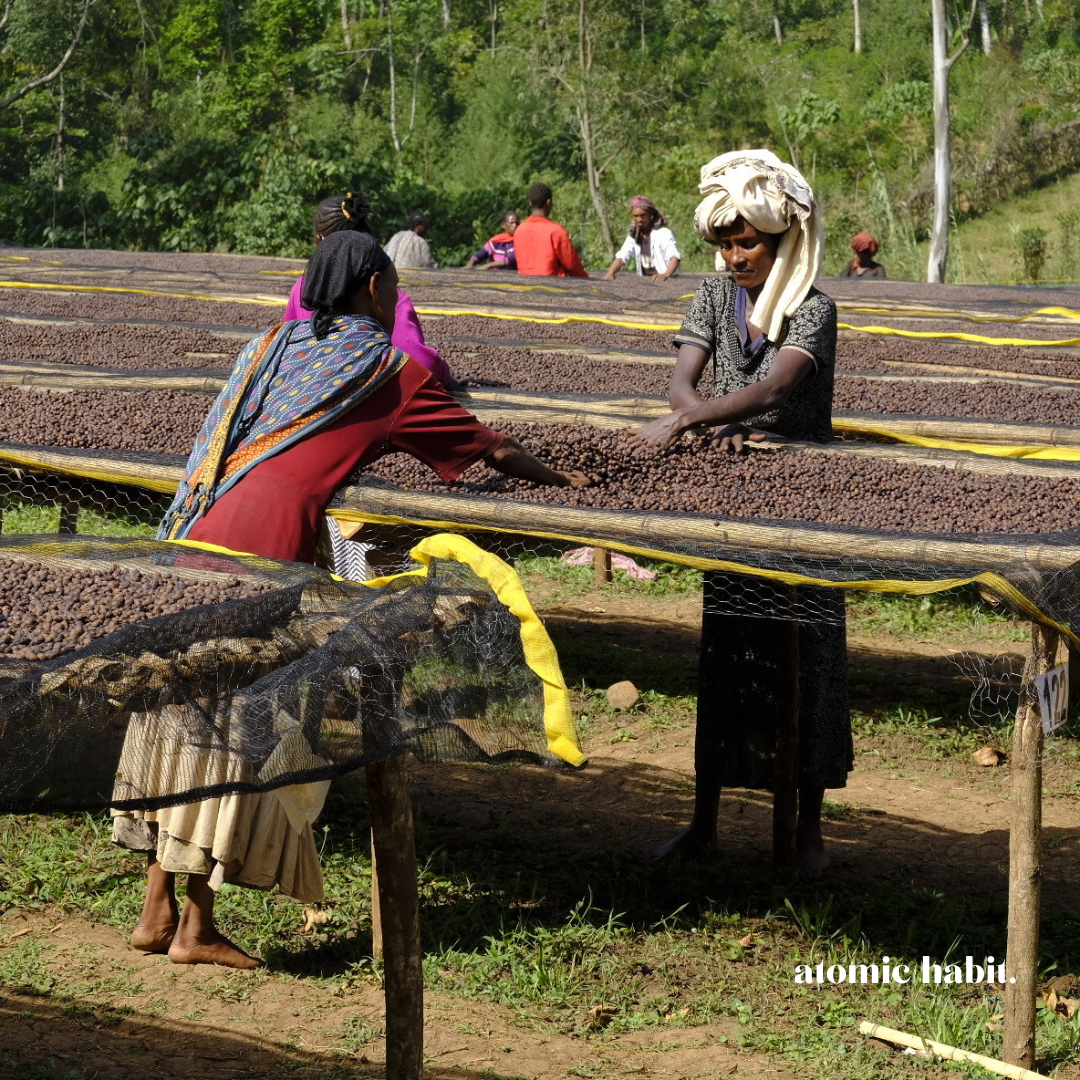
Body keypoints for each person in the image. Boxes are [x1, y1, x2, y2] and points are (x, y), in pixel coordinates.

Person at [113, 231, 591, 969]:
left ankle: (155, 910)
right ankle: (196, 928)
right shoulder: (385, 370)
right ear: (372, 286)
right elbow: (487, 448)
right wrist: (565, 480)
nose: (399, 295)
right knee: (246, 728)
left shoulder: (274, 346)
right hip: (265, 553)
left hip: (197, 532)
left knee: (184, 715)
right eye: (394, 285)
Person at [632, 149, 849, 871]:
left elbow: (774, 390)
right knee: (728, 651)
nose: (734, 257)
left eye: (747, 242)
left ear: (784, 241)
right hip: (734, 498)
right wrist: (695, 418)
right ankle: (706, 822)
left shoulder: (812, 309)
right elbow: (680, 380)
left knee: (809, 656)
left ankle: (807, 829)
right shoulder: (708, 296)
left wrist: (699, 422)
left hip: (805, 504)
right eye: (725, 244)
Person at [283, 192, 458, 389]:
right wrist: (447, 377)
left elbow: (287, 347)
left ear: (319, 240)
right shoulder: (389, 295)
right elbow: (423, 364)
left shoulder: (302, 288)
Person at [513, 183, 589, 278]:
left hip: (525, 286)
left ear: (530, 203)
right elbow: (572, 264)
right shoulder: (556, 231)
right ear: (549, 202)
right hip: (553, 288)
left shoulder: (519, 230)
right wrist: (587, 280)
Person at [602, 196, 681, 282]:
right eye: (636, 216)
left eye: (643, 215)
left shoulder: (663, 233)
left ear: (650, 215)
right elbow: (622, 257)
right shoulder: (634, 235)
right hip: (648, 279)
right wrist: (610, 273)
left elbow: (675, 257)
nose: (639, 219)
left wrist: (666, 275)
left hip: (665, 278)